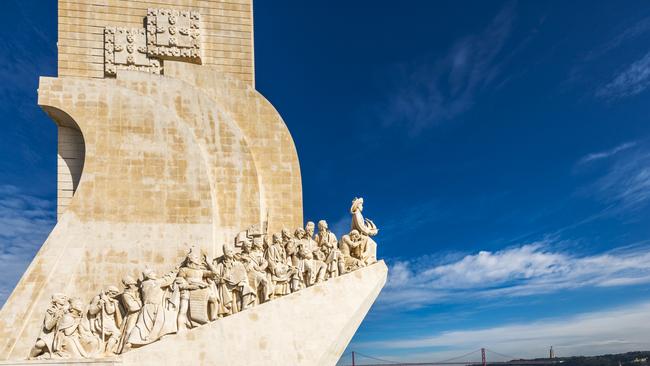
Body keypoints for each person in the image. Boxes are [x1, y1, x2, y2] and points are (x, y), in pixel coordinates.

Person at [127, 268, 178, 347]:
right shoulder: (155, 282)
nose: (155, 274)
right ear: (149, 275)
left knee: (142, 325)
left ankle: (130, 342)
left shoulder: (144, 284)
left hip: (146, 308)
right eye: (153, 272)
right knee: (162, 320)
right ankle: (159, 336)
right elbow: (168, 280)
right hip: (155, 306)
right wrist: (175, 272)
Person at [208, 245, 256, 317]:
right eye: (230, 251)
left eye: (231, 251)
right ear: (226, 254)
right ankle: (225, 310)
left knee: (247, 288)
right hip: (226, 286)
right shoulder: (220, 265)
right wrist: (221, 280)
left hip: (238, 284)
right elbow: (215, 278)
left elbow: (244, 276)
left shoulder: (238, 264)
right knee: (222, 286)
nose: (232, 252)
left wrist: (241, 281)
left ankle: (244, 307)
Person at [176, 247, 217, 327]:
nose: (198, 259)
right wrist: (192, 286)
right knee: (183, 310)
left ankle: (213, 318)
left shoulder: (200, 271)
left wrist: (208, 263)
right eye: (196, 257)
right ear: (191, 259)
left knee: (214, 299)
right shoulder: (184, 270)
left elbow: (215, 273)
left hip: (202, 291)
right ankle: (181, 328)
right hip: (190, 291)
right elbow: (179, 283)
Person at [30, 293, 69, 359]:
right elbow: (48, 327)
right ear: (56, 300)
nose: (64, 300)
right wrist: (56, 317)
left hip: (61, 333)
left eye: (65, 298)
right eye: (62, 298)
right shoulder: (50, 311)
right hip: (50, 334)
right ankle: (30, 357)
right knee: (40, 344)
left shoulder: (66, 310)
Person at [88, 286, 123, 355]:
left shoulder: (114, 301)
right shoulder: (98, 298)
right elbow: (91, 311)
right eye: (113, 293)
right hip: (102, 321)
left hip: (111, 321)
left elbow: (114, 312)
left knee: (117, 333)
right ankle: (107, 351)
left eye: (116, 294)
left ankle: (109, 350)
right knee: (116, 333)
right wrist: (99, 306)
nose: (115, 295)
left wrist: (109, 302)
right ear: (108, 292)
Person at [239, 236, 271, 304]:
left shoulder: (253, 254)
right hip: (248, 274)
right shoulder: (241, 256)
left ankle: (266, 298)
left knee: (265, 281)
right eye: (247, 246)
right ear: (244, 247)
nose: (249, 248)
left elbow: (265, 262)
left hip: (256, 273)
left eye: (250, 246)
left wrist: (260, 268)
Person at [116, 276, 141, 354]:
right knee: (129, 331)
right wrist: (140, 302)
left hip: (141, 313)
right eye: (132, 284)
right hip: (132, 315)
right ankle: (124, 348)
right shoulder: (126, 295)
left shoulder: (137, 292)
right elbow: (132, 307)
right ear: (129, 284)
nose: (134, 285)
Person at [265, 232, 292, 297]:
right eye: (280, 237)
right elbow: (269, 260)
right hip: (276, 267)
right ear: (277, 239)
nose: (282, 239)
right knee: (276, 277)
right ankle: (272, 294)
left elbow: (285, 259)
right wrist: (275, 268)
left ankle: (284, 292)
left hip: (282, 266)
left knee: (292, 270)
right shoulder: (272, 248)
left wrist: (286, 265)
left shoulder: (282, 248)